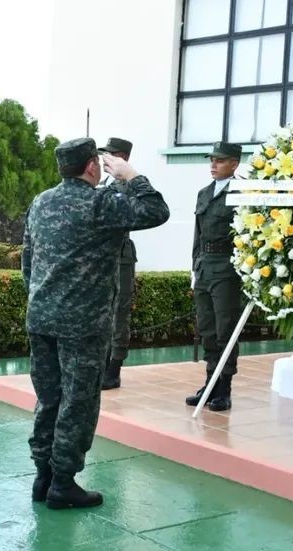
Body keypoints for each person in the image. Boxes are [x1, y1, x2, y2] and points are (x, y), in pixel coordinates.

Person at [24, 137, 169, 509]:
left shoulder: (41, 201)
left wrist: (42, 297)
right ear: (92, 167)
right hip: (83, 323)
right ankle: (63, 483)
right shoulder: (102, 202)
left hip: (40, 317)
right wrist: (130, 173)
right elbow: (156, 210)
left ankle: (43, 475)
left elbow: (28, 257)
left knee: (49, 398)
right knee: (78, 401)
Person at [186, 142, 243, 412]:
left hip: (227, 268)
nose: (213, 165)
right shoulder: (203, 193)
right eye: (212, 160)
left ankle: (224, 387)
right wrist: (194, 267)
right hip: (205, 267)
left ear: (234, 163)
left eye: (219, 161)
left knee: (225, 329)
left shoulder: (242, 193)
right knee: (207, 328)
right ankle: (209, 383)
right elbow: (197, 234)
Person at [97, 136, 137, 390]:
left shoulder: (129, 186)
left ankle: (114, 367)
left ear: (122, 158)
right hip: (101, 254)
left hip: (121, 255)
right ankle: (102, 363)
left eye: (110, 155)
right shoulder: (100, 184)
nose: (104, 159)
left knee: (118, 311)